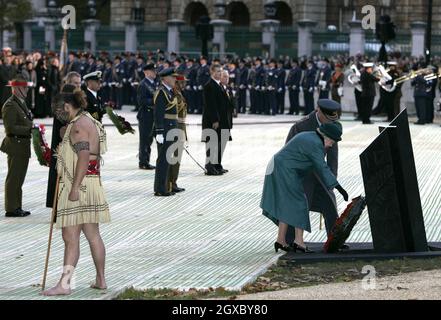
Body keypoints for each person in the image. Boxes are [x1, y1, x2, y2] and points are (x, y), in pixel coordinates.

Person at [42, 88, 110, 296]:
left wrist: (73, 188)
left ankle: (64, 284)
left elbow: (83, 155)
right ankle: (101, 279)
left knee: (70, 236)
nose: (57, 114)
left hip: (78, 186)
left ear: (67, 106)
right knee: (93, 235)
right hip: (91, 184)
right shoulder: (89, 120)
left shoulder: (79, 126)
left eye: (58, 110)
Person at [261, 122, 349, 253]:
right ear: (327, 137)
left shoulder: (310, 136)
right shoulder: (315, 144)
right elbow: (322, 168)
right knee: (300, 203)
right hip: (283, 171)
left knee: (288, 205)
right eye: (333, 141)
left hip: (279, 168)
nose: (332, 145)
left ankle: (281, 240)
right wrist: (339, 187)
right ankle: (299, 242)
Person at [284, 99, 344, 247]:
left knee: (330, 204)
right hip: (301, 175)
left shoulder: (331, 125)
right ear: (318, 111)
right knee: (299, 205)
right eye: (328, 118)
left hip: (320, 174)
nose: (330, 121)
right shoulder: (300, 126)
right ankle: (291, 241)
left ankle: (334, 241)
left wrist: (332, 178)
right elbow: (287, 153)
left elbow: (333, 155)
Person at [1, 76, 33, 217]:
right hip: (16, 145)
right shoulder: (10, 105)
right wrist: (29, 129)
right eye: (24, 87)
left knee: (19, 178)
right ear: (17, 88)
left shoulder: (20, 103)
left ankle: (17, 206)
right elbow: (10, 128)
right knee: (14, 178)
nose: (26, 90)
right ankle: (11, 208)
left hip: (22, 145)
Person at [46, 82, 81, 208]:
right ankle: (58, 208)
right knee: (60, 179)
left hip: (66, 148)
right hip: (62, 149)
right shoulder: (63, 109)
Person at [202, 64, 233, 176]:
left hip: (221, 120)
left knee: (218, 144)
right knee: (212, 144)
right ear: (212, 72)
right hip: (212, 121)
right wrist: (215, 120)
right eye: (218, 72)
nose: (220, 74)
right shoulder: (209, 85)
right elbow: (211, 105)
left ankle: (216, 166)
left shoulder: (218, 85)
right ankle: (210, 167)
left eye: (221, 72)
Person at [153, 67, 179, 196]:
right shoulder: (161, 93)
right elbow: (158, 114)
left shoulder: (169, 92)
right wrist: (159, 132)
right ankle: (160, 189)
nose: (175, 79)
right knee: (163, 159)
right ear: (165, 78)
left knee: (168, 159)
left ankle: (166, 186)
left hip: (172, 128)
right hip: (165, 129)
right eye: (172, 77)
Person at [167, 73, 188, 193]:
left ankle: (173, 182)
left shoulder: (179, 93)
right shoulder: (174, 94)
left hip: (180, 127)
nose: (185, 84)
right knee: (174, 157)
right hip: (176, 127)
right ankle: (170, 183)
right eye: (182, 82)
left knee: (177, 158)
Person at [137, 63, 157, 170]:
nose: (155, 73)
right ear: (146, 72)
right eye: (153, 71)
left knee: (150, 140)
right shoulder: (143, 84)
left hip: (153, 115)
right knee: (145, 140)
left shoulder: (154, 84)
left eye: (155, 71)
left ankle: (146, 160)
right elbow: (141, 101)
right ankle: (143, 162)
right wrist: (154, 101)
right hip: (145, 115)